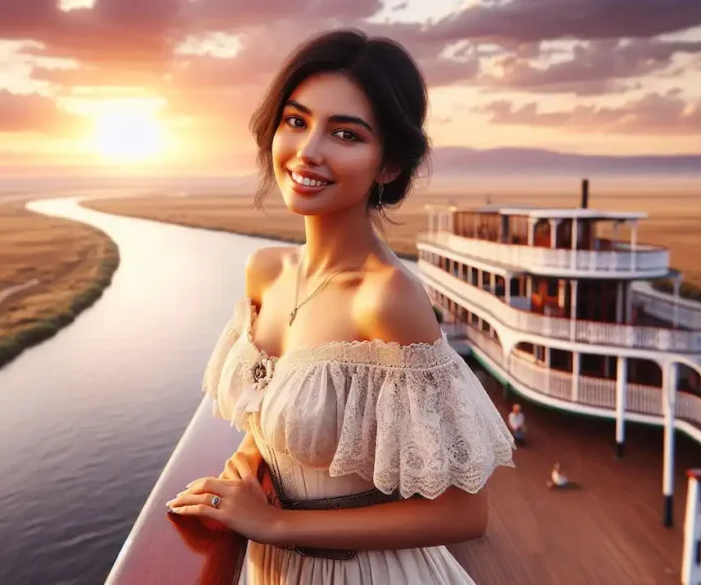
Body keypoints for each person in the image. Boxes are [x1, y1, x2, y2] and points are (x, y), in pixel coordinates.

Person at [165, 29, 516, 585]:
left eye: (346, 134)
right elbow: (286, 408)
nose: (308, 151)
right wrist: (252, 460)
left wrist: (277, 526)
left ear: (389, 165)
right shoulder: (265, 271)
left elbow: (464, 512)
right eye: (297, 121)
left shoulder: (386, 298)